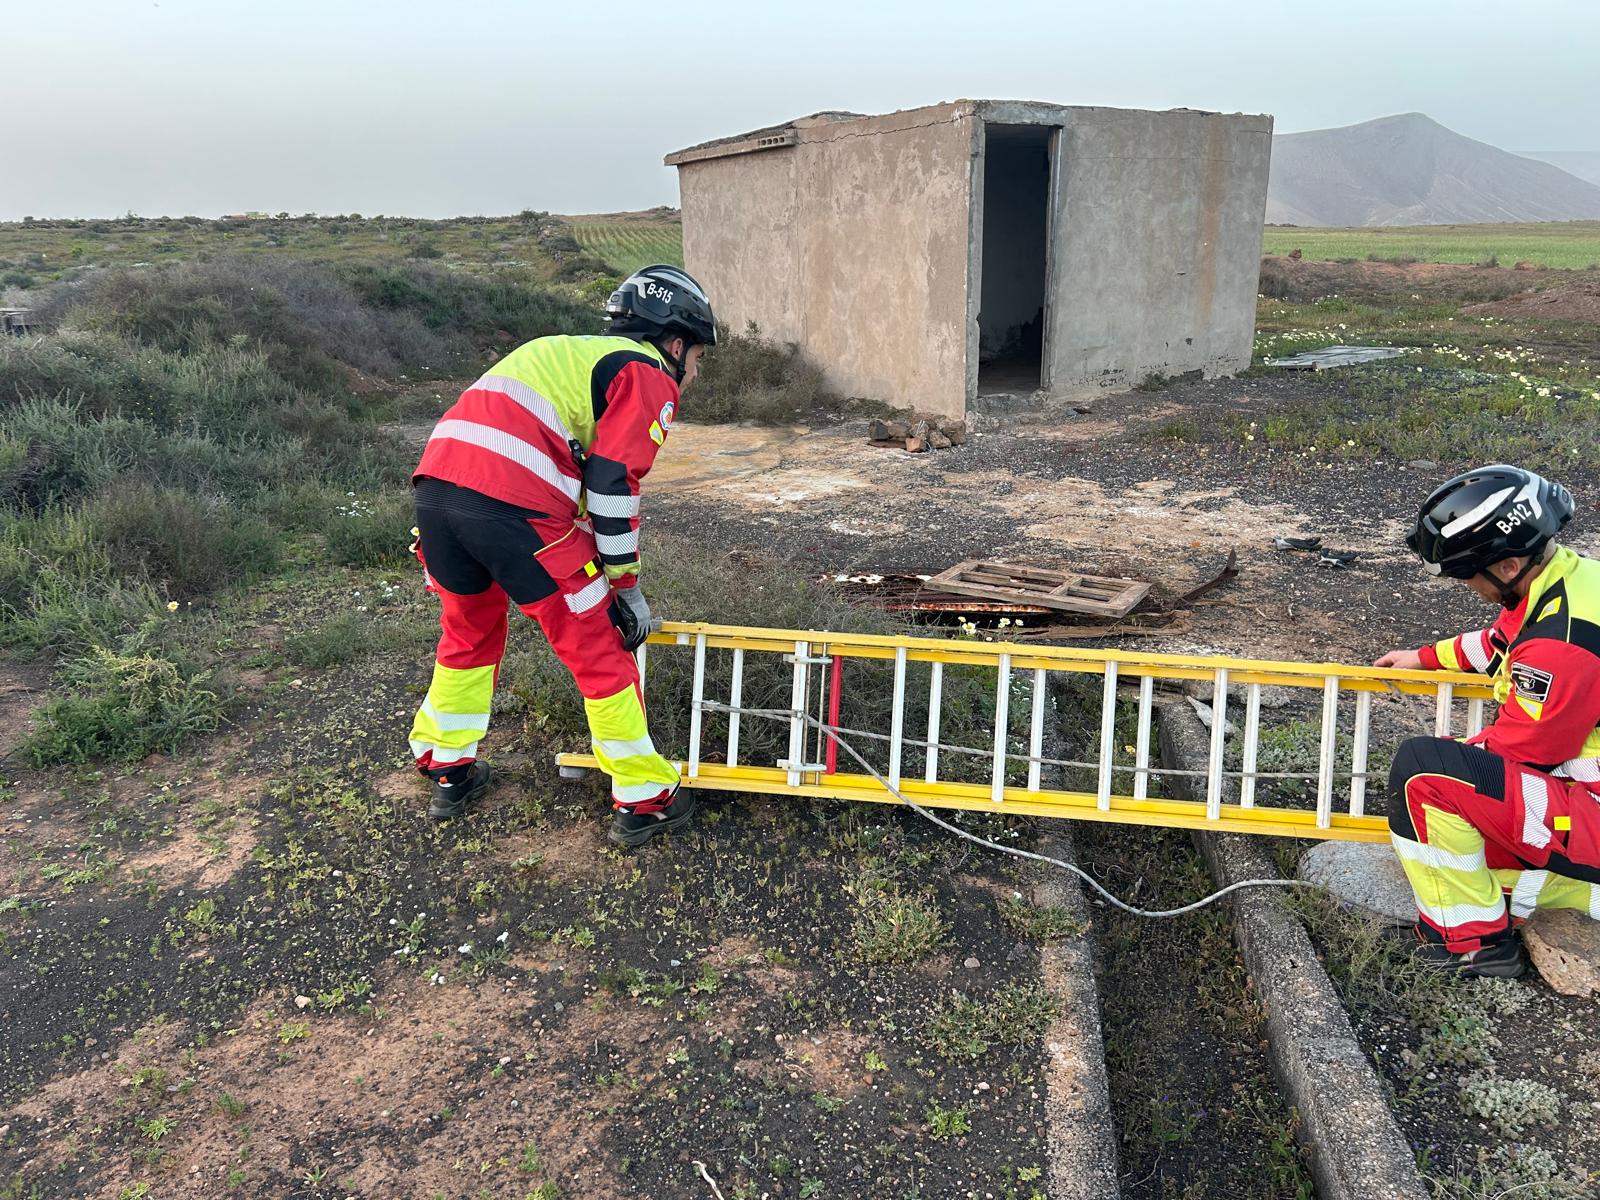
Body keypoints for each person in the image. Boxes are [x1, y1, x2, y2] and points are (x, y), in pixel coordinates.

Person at [405, 265, 715, 847]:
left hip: (436, 495)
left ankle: (447, 766)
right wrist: (625, 587)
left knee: (468, 631)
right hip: (514, 506)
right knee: (599, 643)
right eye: (697, 358)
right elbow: (611, 486)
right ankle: (644, 796)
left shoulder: (561, 352)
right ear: (676, 344)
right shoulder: (647, 372)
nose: (693, 374)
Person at [1375, 464, 1600, 978]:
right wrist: (1424, 657)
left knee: (1424, 774)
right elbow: (1503, 640)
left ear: (1507, 565)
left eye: (1467, 575)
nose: (1468, 587)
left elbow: (1524, 751)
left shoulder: (1561, 646)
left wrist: (1456, 760)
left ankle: (1472, 944)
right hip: (1582, 796)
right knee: (1452, 786)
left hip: (1590, 809)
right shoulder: (1568, 582)